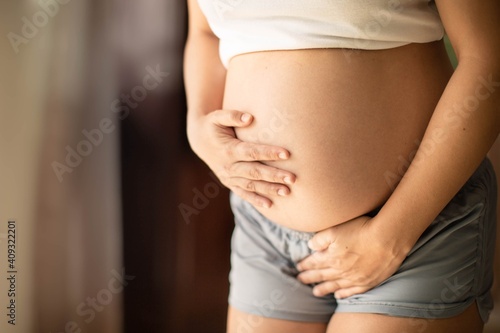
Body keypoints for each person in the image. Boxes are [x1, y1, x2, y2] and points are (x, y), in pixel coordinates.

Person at [184, 0, 500, 332]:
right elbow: (205, 32)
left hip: (414, 226)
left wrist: (391, 237)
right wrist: (197, 127)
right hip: (265, 229)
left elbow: (489, 59)